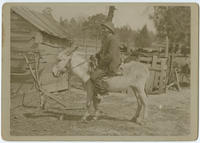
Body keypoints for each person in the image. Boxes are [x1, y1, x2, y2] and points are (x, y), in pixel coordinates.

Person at [90, 21, 121, 95]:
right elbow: (102, 51)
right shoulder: (105, 39)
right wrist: (95, 55)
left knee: (93, 76)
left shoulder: (113, 40)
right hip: (106, 62)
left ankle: (103, 91)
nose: (102, 30)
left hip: (111, 63)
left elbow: (110, 55)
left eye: (104, 29)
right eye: (102, 28)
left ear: (109, 30)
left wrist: (100, 63)